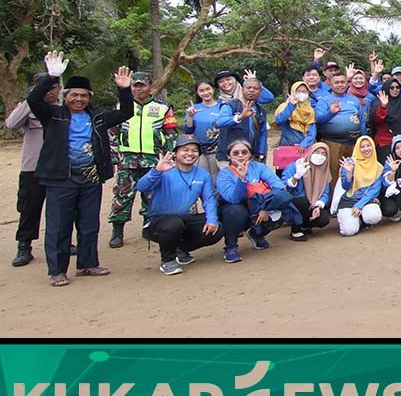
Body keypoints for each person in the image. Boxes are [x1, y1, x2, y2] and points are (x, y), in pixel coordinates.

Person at [27, 53, 134, 287]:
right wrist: (51, 76)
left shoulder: (97, 117)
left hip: (91, 177)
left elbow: (126, 113)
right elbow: (33, 101)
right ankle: (57, 271)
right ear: (65, 97)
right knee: (58, 226)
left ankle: (88, 263)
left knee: (89, 224)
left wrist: (125, 90)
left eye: (83, 95)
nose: (79, 99)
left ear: (89, 97)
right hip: (60, 178)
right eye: (74, 95)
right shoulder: (53, 115)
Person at [107, 71, 178, 249]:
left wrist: (171, 156)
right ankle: (117, 231)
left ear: (150, 86)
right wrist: (114, 157)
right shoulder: (121, 106)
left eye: (142, 85)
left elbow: (171, 134)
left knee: (152, 196)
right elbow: (112, 133)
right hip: (127, 158)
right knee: (122, 195)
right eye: (134, 85)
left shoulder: (162, 108)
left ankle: (149, 227)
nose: (138, 89)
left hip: (153, 159)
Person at [135, 136, 224, 276]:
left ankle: (180, 249)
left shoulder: (202, 174)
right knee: (173, 224)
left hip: (185, 219)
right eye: (185, 150)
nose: (190, 153)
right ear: (175, 153)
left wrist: (212, 219)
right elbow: (141, 187)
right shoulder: (164, 170)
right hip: (159, 221)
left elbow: (209, 199)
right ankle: (167, 260)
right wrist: (156, 171)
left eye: (195, 150)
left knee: (216, 229)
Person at [215, 139, 298, 262]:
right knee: (235, 211)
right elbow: (234, 198)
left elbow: (278, 186)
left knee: (283, 201)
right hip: (235, 207)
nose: (240, 156)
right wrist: (242, 179)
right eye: (235, 153)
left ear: (250, 154)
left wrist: (264, 207)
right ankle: (231, 247)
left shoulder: (259, 167)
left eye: (244, 152)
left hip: (260, 203)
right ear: (229, 156)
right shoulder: (224, 174)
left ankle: (256, 233)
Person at [6, 72, 56, 267]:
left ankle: (63, 242)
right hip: (32, 167)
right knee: (29, 208)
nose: (49, 92)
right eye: (44, 88)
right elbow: (11, 124)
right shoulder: (26, 107)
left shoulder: (64, 108)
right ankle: (24, 246)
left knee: (60, 208)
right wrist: (31, 100)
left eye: (52, 87)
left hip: (58, 167)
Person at [314, 72, 365, 183]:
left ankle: (350, 198)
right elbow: (317, 119)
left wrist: (364, 139)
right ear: (331, 85)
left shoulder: (354, 100)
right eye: (336, 82)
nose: (340, 85)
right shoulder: (325, 100)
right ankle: (332, 199)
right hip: (332, 143)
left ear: (347, 83)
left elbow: (362, 121)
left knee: (353, 172)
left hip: (353, 143)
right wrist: (331, 113)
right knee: (333, 175)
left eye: (342, 82)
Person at [335, 135, 390, 237]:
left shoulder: (378, 167)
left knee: (373, 216)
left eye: (368, 145)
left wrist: (359, 205)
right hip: (349, 200)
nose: (366, 149)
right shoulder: (350, 163)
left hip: (366, 200)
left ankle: (362, 218)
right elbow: (345, 187)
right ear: (357, 148)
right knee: (349, 231)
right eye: (362, 146)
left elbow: (374, 190)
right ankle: (353, 220)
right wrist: (349, 173)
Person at [280, 143, 334, 241]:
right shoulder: (296, 166)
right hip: (292, 203)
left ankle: (305, 225)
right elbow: (282, 190)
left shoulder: (324, 171)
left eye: (324, 154)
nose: (320, 156)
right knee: (303, 202)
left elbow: (325, 193)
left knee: (324, 219)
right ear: (311, 152)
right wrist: (296, 177)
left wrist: (318, 205)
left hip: (311, 204)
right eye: (317, 152)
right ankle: (295, 230)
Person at [185, 80, 233, 178]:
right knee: (201, 178)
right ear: (197, 93)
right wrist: (190, 116)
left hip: (218, 150)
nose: (206, 93)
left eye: (208, 89)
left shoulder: (223, 106)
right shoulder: (194, 108)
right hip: (199, 150)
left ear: (213, 89)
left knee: (216, 178)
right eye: (201, 90)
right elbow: (187, 131)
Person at [367, 77, 401, 162]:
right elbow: (376, 120)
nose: (395, 89)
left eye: (397, 87)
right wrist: (383, 106)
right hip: (385, 142)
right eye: (392, 87)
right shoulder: (378, 102)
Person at [274, 80, 318, 151]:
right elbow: (279, 121)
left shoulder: (310, 110)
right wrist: (291, 105)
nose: (301, 94)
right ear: (293, 92)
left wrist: (304, 144)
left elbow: (312, 131)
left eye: (304, 92)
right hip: (287, 144)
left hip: (304, 147)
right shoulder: (284, 106)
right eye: (298, 91)